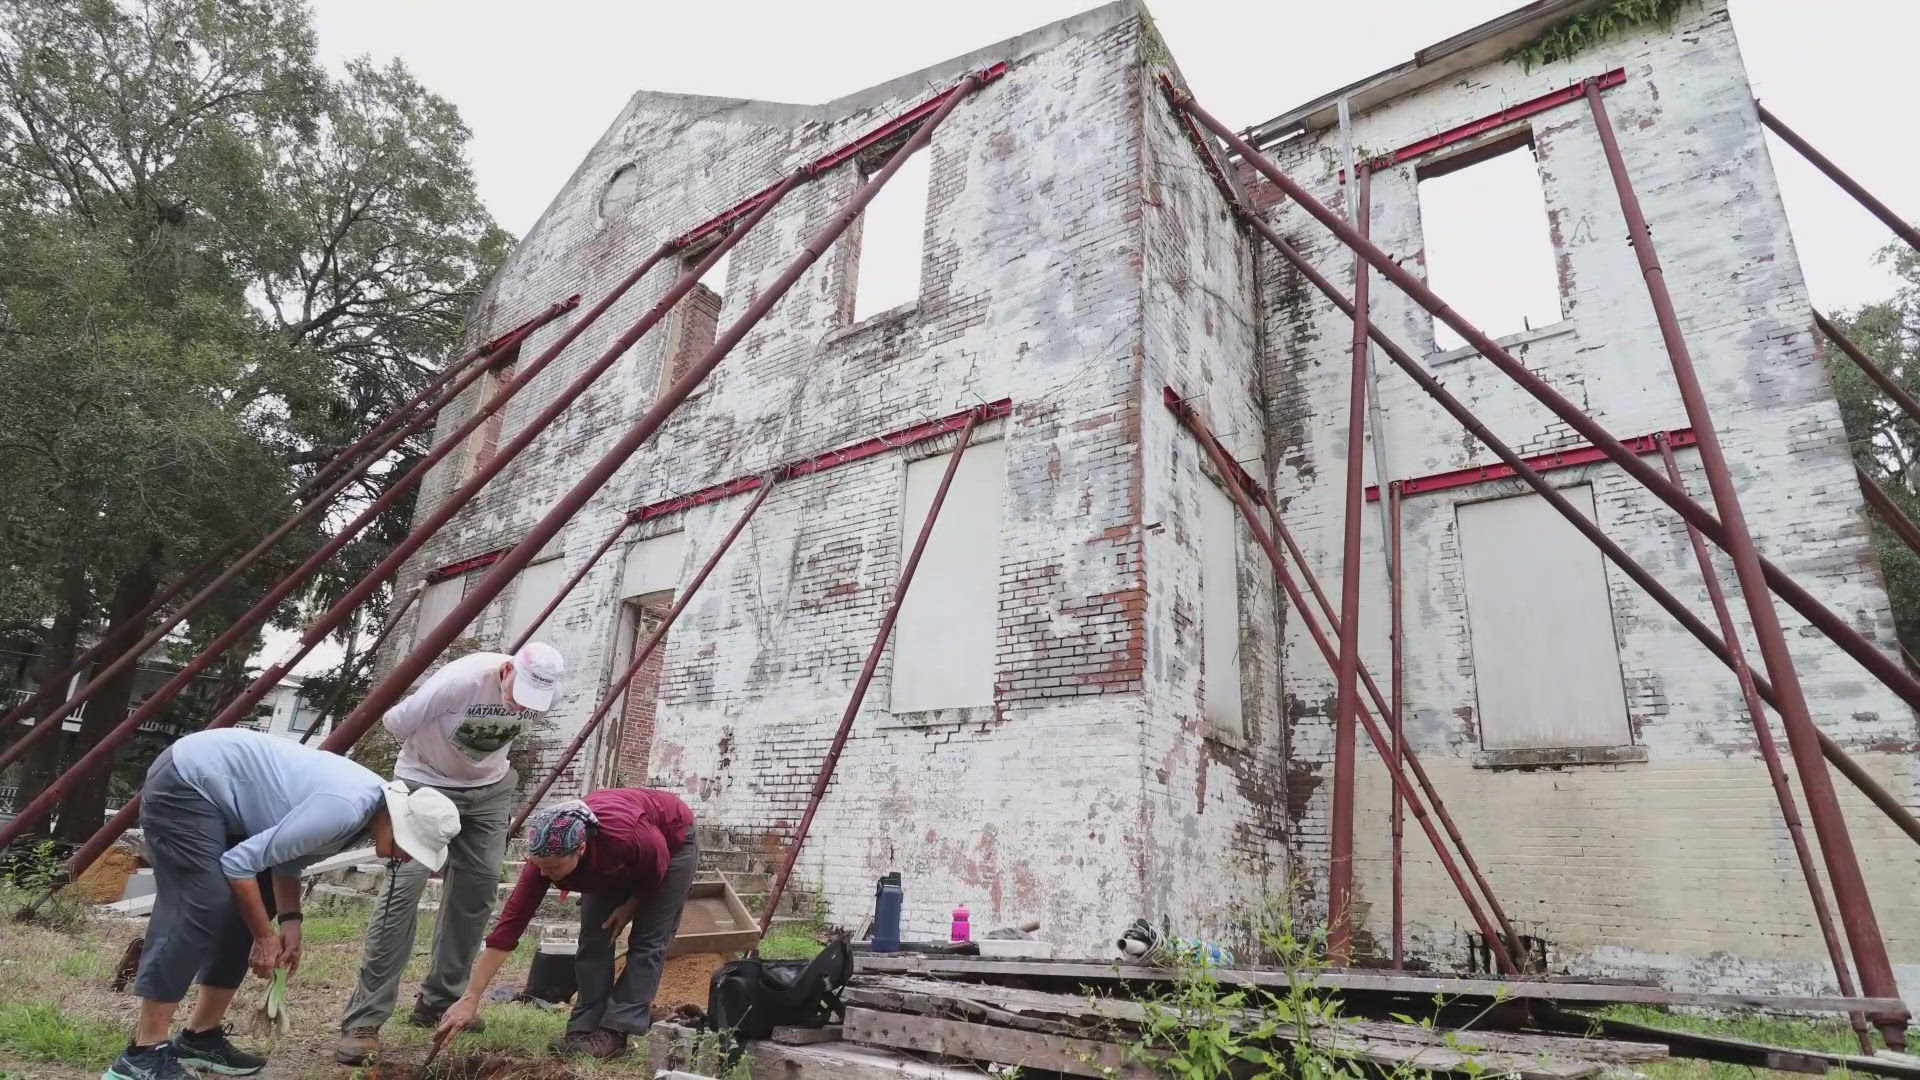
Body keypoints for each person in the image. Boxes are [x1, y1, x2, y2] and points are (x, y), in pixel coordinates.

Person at [104, 728, 460, 1080]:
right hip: (190, 779)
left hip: (227, 796)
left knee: (250, 904)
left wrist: (290, 923)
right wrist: (265, 937)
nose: (408, 858)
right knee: (202, 903)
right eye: (410, 847)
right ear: (398, 821)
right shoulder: (345, 808)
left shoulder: (365, 816)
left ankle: (199, 1038)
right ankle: (143, 1055)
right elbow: (237, 864)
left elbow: (287, 860)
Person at [334, 641, 566, 1065]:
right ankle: (364, 1021)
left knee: (476, 893)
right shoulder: (459, 682)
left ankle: (441, 1000)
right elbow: (394, 723)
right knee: (400, 897)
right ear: (506, 670)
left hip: (490, 790)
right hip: (424, 785)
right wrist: (436, 762)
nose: (520, 705)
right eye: (517, 693)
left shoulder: (547, 689)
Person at [437, 788, 697, 1060]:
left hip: (670, 845)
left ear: (580, 849)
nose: (545, 874)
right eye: (540, 866)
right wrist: (470, 998)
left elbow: (656, 868)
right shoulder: (545, 860)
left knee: (648, 941)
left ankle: (614, 1032)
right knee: (594, 939)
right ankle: (584, 1029)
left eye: (554, 869)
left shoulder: (626, 836)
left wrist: (630, 906)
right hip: (611, 857)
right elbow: (509, 928)